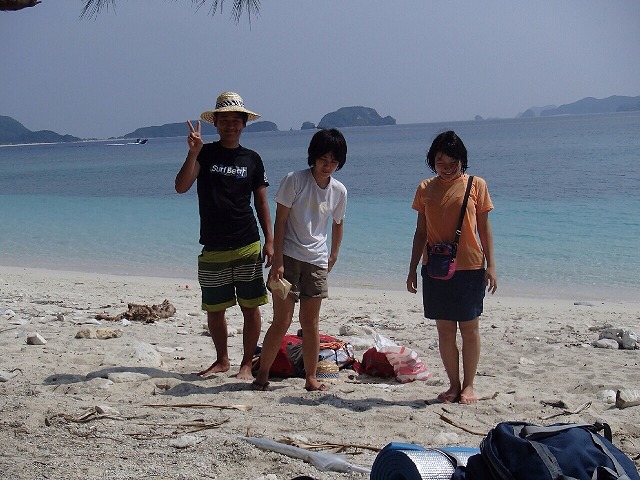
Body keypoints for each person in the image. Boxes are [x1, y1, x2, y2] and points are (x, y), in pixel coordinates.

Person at [175, 91, 273, 381]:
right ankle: (222, 360)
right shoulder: (205, 154)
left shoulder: (252, 159)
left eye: (236, 120)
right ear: (216, 123)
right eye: (225, 120)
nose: (231, 125)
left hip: (247, 242)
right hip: (213, 244)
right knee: (215, 308)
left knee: (250, 306)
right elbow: (181, 186)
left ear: (243, 124)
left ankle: (246, 364)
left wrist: (270, 240)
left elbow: (262, 202)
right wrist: (193, 152)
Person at [252, 128, 348, 392]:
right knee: (281, 321)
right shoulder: (294, 180)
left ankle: (311, 378)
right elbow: (280, 221)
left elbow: (338, 222)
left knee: (310, 323)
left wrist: (334, 254)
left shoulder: (339, 190)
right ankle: (262, 375)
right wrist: (278, 260)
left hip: (316, 261)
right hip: (289, 258)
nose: (327, 165)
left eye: (334, 161)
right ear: (313, 157)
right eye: (323, 159)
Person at [406, 130, 497, 405]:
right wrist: (412, 268)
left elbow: (484, 229)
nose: (446, 168)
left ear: (462, 160)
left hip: (470, 266)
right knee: (445, 330)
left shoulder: (476, 185)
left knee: (469, 328)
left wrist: (491, 266)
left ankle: (469, 385)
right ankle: (454, 385)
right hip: (435, 267)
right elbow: (420, 232)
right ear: (432, 162)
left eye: (452, 163)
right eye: (440, 162)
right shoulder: (425, 189)